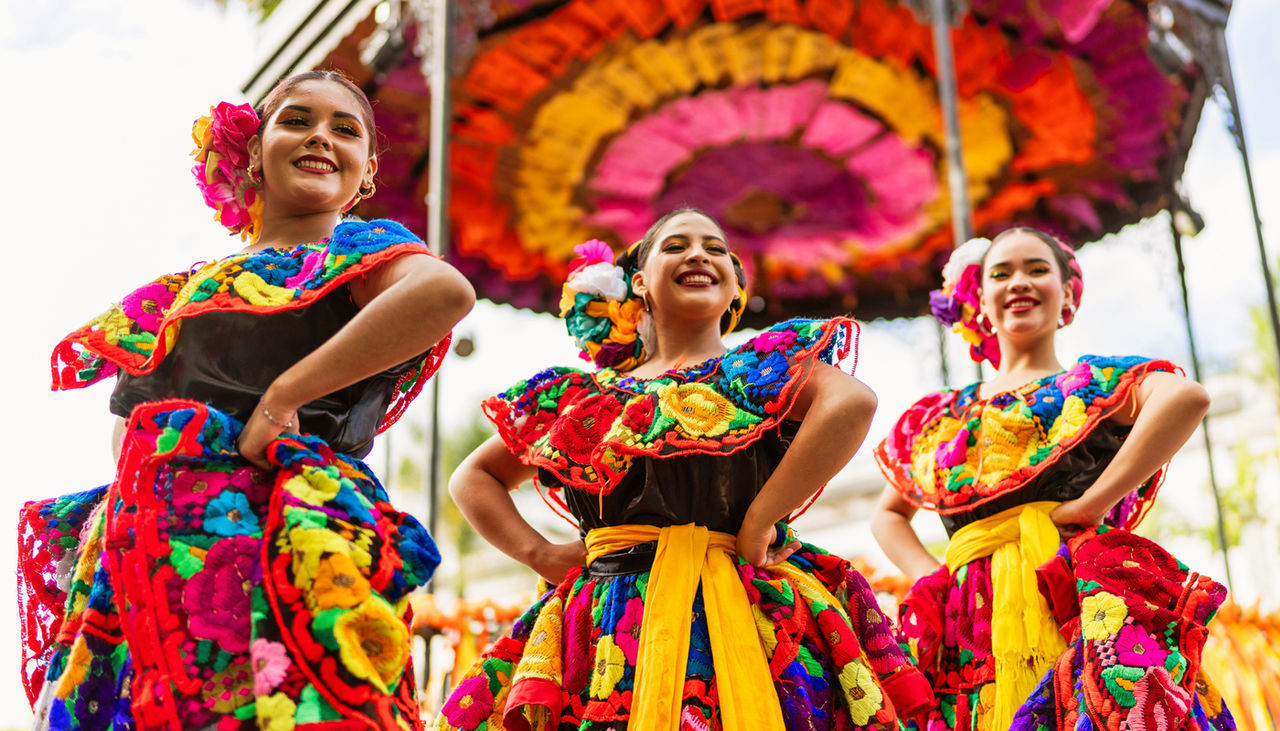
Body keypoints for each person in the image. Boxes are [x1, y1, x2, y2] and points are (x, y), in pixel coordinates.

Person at [18, 70, 475, 730]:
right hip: (158, 551)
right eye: (297, 120)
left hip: (295, 539)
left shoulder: (360, 253)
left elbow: (444, 294)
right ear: (253, 152)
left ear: (367, 173)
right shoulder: (178, 292)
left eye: (344, 129)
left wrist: (282, 397)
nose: (320, 136)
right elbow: (126, 435)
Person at [432, 209, 934, 731]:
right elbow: (472, 478)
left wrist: (761, 519)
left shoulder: (760, 370)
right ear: (639, 283)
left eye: (716, 249)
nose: (699, 254)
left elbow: (851, 402)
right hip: (607, 618)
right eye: (677, 246)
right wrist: (539, 553)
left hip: (744, 602)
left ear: (735, 287)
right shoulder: (584, 398)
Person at [871, 228, 1236, 731]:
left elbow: (1185, 397)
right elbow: (888, 514)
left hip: (1070, 589)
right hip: (970, 615)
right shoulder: (943, 415)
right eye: (1001, 273)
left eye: (1037, 269)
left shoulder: (1089, 385)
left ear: (1067, 295)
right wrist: (935, 577)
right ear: (979, 299)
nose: (1018, 281)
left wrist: (1093, 502)